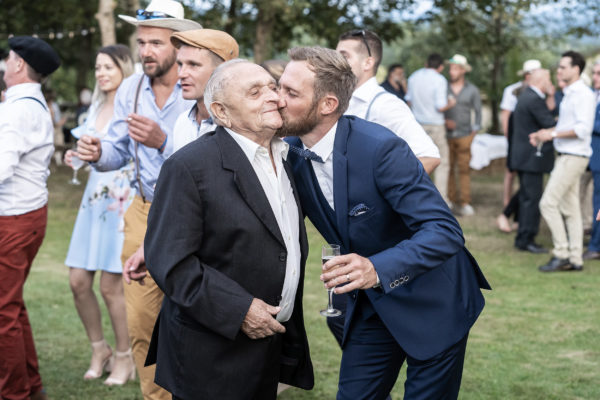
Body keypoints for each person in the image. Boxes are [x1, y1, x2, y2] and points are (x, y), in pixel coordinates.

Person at [279, 46, 490, 400]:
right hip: (372, 305)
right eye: (278, 86)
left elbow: (444, 230)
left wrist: (376, 268)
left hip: (434, 300)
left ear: (327, 104)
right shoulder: (291, 152)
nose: (277, 99)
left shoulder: (380, 149)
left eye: (290, 92)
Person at [141, 59, 313, 399]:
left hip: (269, 345)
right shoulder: (189, 166)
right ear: (221, 111)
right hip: (212, 354)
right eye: (255, 92)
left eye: (272, 87)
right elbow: (171, 262)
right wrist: (240, 309)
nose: (274, 98)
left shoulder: (289, 157)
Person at [76, 1, 201, 398]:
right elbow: (116, 149)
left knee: (199, 321)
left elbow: (213, 158)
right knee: (143, 323)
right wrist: (99, 155)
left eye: (156, 43)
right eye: (142, 42)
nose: (146, 51)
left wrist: (163, 141)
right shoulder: (130, 88)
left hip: (200, 219)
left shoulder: (200, 86)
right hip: (145, 211)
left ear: (179, 45)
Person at [64, 44, 136, 385]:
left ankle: (125, 356)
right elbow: (91, 152)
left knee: (111, 287)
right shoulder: (94, 107)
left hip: (122, 200)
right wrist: (75, 158)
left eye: (108, 67)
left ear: (125, 68)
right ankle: (99, 348)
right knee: (77, 281)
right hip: (93, 203)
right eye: (97, 67)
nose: (101, 73)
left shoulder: (134, 105)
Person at [0, 35, 60, 400]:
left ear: (19, 64)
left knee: (2, 313)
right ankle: (30, 387)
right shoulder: (31, 105)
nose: (5, 65)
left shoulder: (17, 110)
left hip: (13, 219)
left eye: (7, 58)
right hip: (28, 216)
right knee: (11, 306)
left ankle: (14, 393)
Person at [336, 30, 440, 174]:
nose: (335, 63)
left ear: (367, 63)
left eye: (343, 57)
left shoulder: (386, 105)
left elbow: (429, 157)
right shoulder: (341, 100)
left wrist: (383, 192)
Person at [530, 51, 595, 272]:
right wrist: (544, 133)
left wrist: (553, 135)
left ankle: (562, 253)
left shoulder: (583, 94)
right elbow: (565, 125)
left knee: (547, 203)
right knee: (571, 209)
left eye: (563, 67)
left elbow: (582, 130)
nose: (558, 71)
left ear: (576, 69)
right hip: (568, 155)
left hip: (574, 156)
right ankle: (576, 258)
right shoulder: (570, 93)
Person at [496, 59, 549, 232]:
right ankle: (507, 213)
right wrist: (511, 142)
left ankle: (517, 219)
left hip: (527, 145)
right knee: (522, 184)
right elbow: (507, 118)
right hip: (520, 143)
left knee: (527, 188)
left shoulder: (535, 93)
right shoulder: (514, 92)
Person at [509, 69, 556, 254]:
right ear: (542, 82)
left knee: (527, 197)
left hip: (524, 156)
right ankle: (527, 238)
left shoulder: (527, 95)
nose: (550, 82)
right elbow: (548, 122)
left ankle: (523, 237)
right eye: (548, 79)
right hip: (531, 157)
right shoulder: (534, 99)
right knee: (532, 200)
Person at [170, 28, 239, 153]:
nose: (181, 74)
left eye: (193, 65)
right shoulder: (183, 121)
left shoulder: (240, 128)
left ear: (223, 70)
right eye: (180, 64)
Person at [406, 53, 456, 203]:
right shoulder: (440, 80)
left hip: (416, 124)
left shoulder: (414, 77)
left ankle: (414, 198)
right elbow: (440, 106)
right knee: (442, 161)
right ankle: (441, 200)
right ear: (440, 67)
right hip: (435, 125)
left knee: (415, 161)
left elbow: (408, 101)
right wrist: (451, 103)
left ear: (426, 63)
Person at [444, 54, 482, 216]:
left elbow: (478, 112)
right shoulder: (443, 87)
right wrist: (444, 122)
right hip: (446, 134)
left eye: (455, 69)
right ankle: (450, 201)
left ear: (462, 71)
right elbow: (436, 107)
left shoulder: (472, 90)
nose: (451, 71)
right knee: (447, 168)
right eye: (450, 68)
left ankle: (465, 202)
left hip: (465, 134)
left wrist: (474, 132)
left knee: (464, 169)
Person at [582, 60, 600, 261]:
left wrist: (585, 123)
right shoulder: (593, 96)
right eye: (594, 73)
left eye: (599, 73)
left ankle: (595, 246)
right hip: (591, 159)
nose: (595, 77)